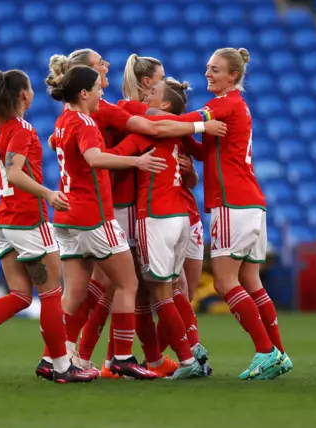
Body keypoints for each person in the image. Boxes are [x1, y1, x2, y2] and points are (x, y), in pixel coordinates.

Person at [37, 49, 226, 380]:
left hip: (84, 210)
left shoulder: (68, 118)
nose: (106, 68)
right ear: (85, 86)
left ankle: (65, 356)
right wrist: (201, 123)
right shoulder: (105, 111)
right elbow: (145, 129)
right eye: (99, 69)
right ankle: (127, 358)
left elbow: (59, 142)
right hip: (111, 208)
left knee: (95, 289)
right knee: (125, 285)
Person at [0, 69, 98, 383]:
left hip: (1, 222)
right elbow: (13, 174)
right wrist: (48, 194)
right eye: (29, 89)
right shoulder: (23, 130)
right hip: (29, 223)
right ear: (24, 96)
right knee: (53, 294)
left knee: (20, 295)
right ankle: (59, 366)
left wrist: (9, 198)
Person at [49, 65, 172, 379]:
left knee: (75, 293)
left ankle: (54, 357)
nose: (103, 93)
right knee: (127, 283)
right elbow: (94, 158)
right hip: (93, 216)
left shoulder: (62, 120)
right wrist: (136, 160)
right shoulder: (85, 121)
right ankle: (121, 357)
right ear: (84, 93)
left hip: (67, 216)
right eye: (98, 88)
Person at [199, 47, 291, 380]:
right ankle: (278, 353)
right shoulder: (237, 106)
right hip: (252, 202)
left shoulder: (223, 104)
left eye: (215, 69)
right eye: (208, 68)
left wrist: (151, 116)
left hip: (231, 203)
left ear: (233, 76)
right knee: (250, 280)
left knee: (225, 282)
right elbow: (207, 147)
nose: (207, 73)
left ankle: (265, 350)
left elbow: (190, 122)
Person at [109, 77, 210, 379]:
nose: (146, 95)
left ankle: (187, 358)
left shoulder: (147, 132)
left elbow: (115, 156)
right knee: (173, 290)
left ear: (164, 105)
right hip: (181, 218)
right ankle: (189, 348)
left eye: (152, 93)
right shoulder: (177, 135)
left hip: (155, 216)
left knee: (160, 294)